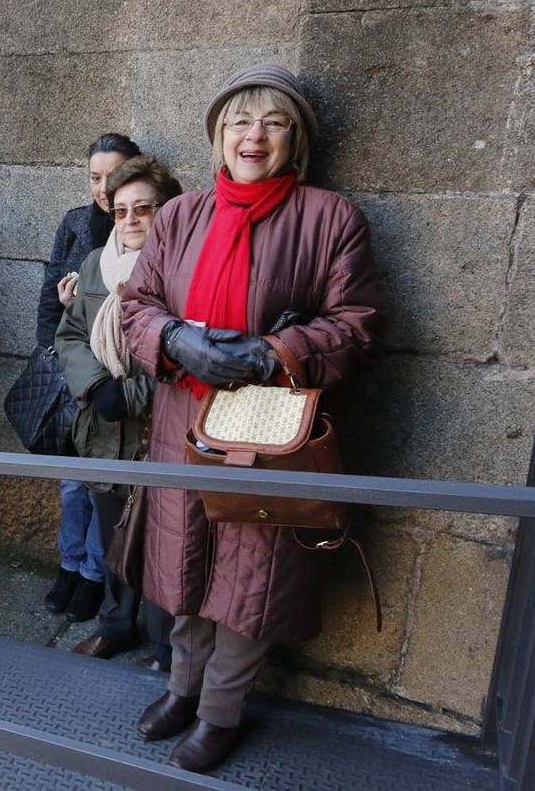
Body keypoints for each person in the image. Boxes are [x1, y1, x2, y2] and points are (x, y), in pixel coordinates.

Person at [121, 64, 381, 773]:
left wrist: (274, 353)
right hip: (183, 418)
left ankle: (220, 712)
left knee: (250, 577)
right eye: (239, 121)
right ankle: (181, 687)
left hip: (267, 432)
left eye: (272, 122)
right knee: (182, 562)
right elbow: (138, 305)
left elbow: (356, 325)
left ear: (294, 138)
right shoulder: (179, 216)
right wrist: (177, 339)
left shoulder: (330, 218)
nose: (253, 135)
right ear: (218, 136)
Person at [55, 156, 180, 668]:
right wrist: (97, 382)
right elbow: (70, 335)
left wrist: (128, 394)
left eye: (143, 209)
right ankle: (115, 625)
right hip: (106, 431)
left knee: (165, 545)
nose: (128, 220)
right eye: (120, 209)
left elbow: (182, 356)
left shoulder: (181, 270)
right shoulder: (95, 265)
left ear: (166, 212)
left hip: (160, 432)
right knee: (113, 538)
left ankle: (166, 647)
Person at [38, 133, 142, 623]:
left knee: (108, 490)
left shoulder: (144, 227)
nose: (104, 188)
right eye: (95, 177)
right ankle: (70, 563)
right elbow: (48, 295)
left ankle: (96, 575)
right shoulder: (76, 222)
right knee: (72, 484)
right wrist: (51, 349)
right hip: (73, 376)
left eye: (113, 175)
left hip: (119, 382)